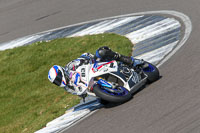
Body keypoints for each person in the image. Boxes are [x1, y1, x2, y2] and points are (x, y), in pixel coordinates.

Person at [48, 46, 145, 96]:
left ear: (62, 72)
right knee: (104, 102)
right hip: (92, 83)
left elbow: (81, 59)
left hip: (93, 64)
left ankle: (130, 61)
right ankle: (113, 88)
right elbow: (80, 92)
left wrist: (85, 61)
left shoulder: (70, 67)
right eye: (56, 81)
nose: (59, 81)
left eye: (58, 78)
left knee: (101, 52)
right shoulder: (68, 87)